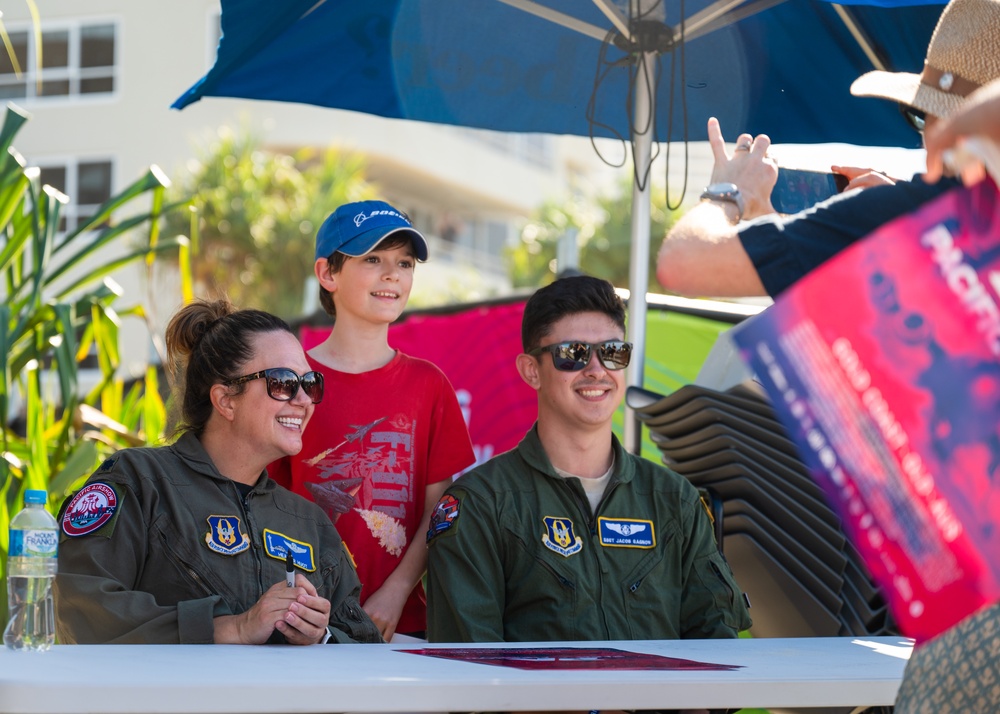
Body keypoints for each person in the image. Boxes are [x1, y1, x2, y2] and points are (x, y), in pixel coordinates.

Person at [425, 275, 751, 643]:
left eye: (613, 351)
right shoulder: (482, 504)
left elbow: (716, 648)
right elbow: (471, 674)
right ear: (531, 370)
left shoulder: (674, 500)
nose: (597, 369)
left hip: (658, 704)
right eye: (574, 353)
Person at [55, 299, 383, 645]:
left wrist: (322, 635)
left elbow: (364, 642)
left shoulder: (310, 523)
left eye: (310, 383)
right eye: (284, 382)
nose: (303, 399)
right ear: (226, 400)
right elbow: (79, 604)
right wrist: (231, 628)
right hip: (164, 700)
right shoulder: (139, 482)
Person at [656, 0, 1000, 300]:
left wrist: (730, 193)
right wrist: (765, 219)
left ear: (956, 125)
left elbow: (681, 264)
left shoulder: (906, 214)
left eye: (920, 115)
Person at [268, 200, 475, 642]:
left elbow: (440, 509)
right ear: (328, 274)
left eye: (404, 262)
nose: (392, 274)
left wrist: (398, 591)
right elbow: (266, 502)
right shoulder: (292, 383)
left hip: (401, 622)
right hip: (301, 618)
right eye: (373, 259)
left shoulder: (429, 385)